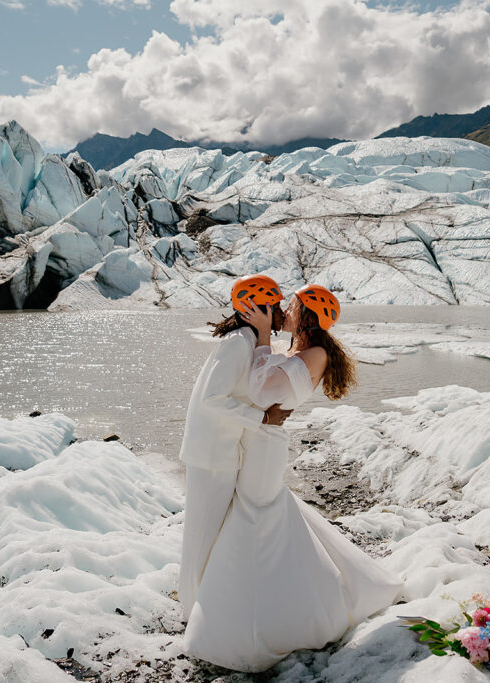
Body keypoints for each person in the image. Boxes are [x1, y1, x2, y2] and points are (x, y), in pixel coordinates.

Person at [183, 284, 403, 672]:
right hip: (255, 443)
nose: (286, 308)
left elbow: (261, 388)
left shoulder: (314, 354)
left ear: (309, 315)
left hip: (264, 449)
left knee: (255, 523)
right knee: (264, 522)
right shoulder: (297, 352)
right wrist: (265, 344)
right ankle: (240, 605)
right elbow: (258, 385)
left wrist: (264, 338)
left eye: (294, 305)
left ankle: (250, 625)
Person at [177, 274, 290, 621]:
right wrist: (261, 418)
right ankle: (192, 612)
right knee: (202, 533)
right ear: (262, 306)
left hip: (219, 451)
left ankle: (200, 603)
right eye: (277, 303)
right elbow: (213, 400)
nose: (282, 310)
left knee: (209, 531)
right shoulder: (237, 342)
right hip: (212, 454)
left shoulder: (243, 339)